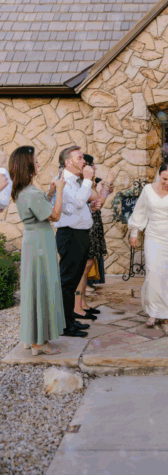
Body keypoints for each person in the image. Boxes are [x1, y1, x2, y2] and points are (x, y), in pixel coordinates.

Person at [8, 146, 66, 355]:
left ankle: (32, 336)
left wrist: (49, 192)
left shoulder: (24, 191)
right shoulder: (30, 192)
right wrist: (59, 190)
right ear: (27, 164)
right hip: (40, 243)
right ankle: (38, 342)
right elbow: (55, 215)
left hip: (34, 241)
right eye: (36, 160)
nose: (39, 164)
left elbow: (39, 207)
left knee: (35, 287)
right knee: (41, 287)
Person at [127, 162, 168, 326]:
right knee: (154, 271)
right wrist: (135, 232)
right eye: (164, 179)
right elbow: (140, 212)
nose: (167, 183)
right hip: (153, 235)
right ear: (159, 175)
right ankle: (154, 312)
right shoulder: (148, 190)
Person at [54, 145, 96, 338]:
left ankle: (70, 320)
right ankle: (64, 325)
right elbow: (74, 206)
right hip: (70, 235)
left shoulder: (76, 181)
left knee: (73, 279)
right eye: (79, 158)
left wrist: (91, 205)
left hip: (79, 234)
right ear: (68, 162)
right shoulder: (63, 181)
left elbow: (79, 205)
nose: (84, 161)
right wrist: (88, 180)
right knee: (68, 282)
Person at [73, 155, 115, 319]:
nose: (95, 168)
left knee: (88, 267)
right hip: (88, 228)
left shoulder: (89, 183)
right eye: (91, 165)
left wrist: (104, 187)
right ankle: (77, 306)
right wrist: (107, 183)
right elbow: (98, 201)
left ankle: (83, 303)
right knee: (84, 268)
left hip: (93, 225)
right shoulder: (81, 183)